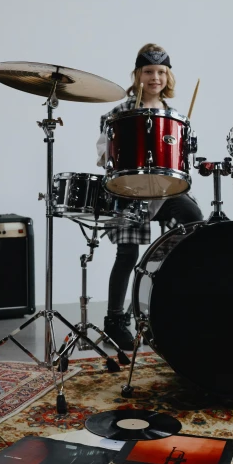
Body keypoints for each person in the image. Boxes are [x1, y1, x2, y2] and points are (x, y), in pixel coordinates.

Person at [96, 44, 203, 350]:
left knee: (194, 222)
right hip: (130, 190)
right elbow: (104, 153)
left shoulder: (175, 116)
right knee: (127, 255)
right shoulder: (119, 112)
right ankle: (115, 320)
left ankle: (175, 305)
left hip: (166, 190)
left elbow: (182, 160)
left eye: (160, 72)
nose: (154, 77)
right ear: (137, 75)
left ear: (168, 77)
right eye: (148, 72)